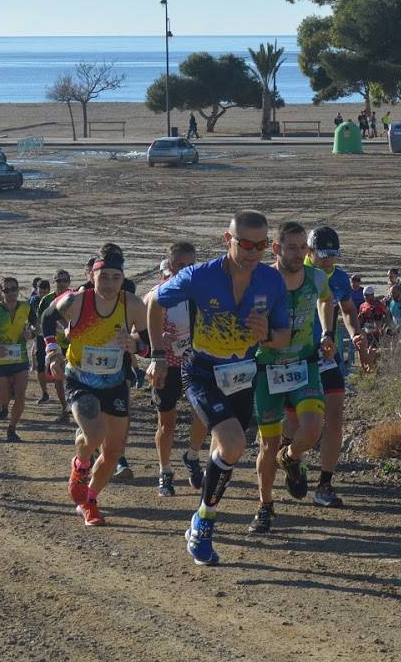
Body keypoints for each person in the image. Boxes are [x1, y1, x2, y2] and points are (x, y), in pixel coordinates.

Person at [148, 210, 290, 565]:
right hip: (203, 371)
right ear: (227, 240)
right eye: (245, 244)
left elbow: (284, 335)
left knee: (227, 451)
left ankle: (200, 514)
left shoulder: (272, 283)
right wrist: (157, 356)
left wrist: (267, 336)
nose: (253, 252)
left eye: (260, 245)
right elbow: (152, 302)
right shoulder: (200, 276)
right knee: (234, 443)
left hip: (243, 373)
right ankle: (205, 524)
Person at [54, 249, 149, 525]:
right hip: (81, 378)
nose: (108, 283)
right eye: (103, 276)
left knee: (113, 451)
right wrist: (52, 349)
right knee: (94, 434)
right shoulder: (76, 300)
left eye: (115, 278)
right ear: (91, 276)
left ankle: (89, 501)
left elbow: (146, 344)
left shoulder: (132, 304)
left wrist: (136, 346)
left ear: (122, 279)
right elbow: (47, 316)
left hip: (115, 382)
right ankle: (80, 466)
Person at [248, 221, 332, 533]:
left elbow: (326, 300)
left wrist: (327, 332)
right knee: (267, 445)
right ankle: (265, 505)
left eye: (303, 248)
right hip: (267, 367)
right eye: (292, 247)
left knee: (312, 429)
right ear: (276, 248)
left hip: (304, 364)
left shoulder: (316, 277)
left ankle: (292, 457)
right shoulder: (262, 281)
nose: (299, 254)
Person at [303, 225, 364, 509]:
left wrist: (355, 335)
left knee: (336, 415)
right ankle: (290, 458)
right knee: (296, 425)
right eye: (324, 255)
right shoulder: (290, 273)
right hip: (294, 357)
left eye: (333, 256)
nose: (329, 261)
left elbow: (349, 311)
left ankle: (325, 484)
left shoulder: (338, 278)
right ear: (309, 251)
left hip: (327, 357)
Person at [143, 242, 205, 497]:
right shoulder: (158, 293)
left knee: (202, 414)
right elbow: (138, 330)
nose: (185, 270)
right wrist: (157, 339)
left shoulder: (202, 292)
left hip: (196, 362)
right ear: (169, 266)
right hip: (167, 365)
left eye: (190, 265)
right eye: (180, 265)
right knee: (166, 423)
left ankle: (192, 455)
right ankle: (164, 471)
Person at [0, 276, 36, 442]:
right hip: (1, 360)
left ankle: (12, 428)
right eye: (6, 290)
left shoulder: (26, 307)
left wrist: (31, 332)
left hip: (20, 358)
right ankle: (3, 406)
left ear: (18, 290)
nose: (11, 292)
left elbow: (36, 324)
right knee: (4, 398)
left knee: (20, 395)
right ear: (1, 292)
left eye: (14, 289)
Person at [35, 270, 72, 420]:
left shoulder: (74, 297)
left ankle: (75, 407)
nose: (61, 283)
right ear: (54, 282)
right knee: (58, 378)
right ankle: (64, 408)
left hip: (72, 343)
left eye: (64, 280)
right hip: (54, 343)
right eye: (58, 281)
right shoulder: (47, 300)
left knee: (74, 377)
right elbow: (41, 321)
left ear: (69, 281)